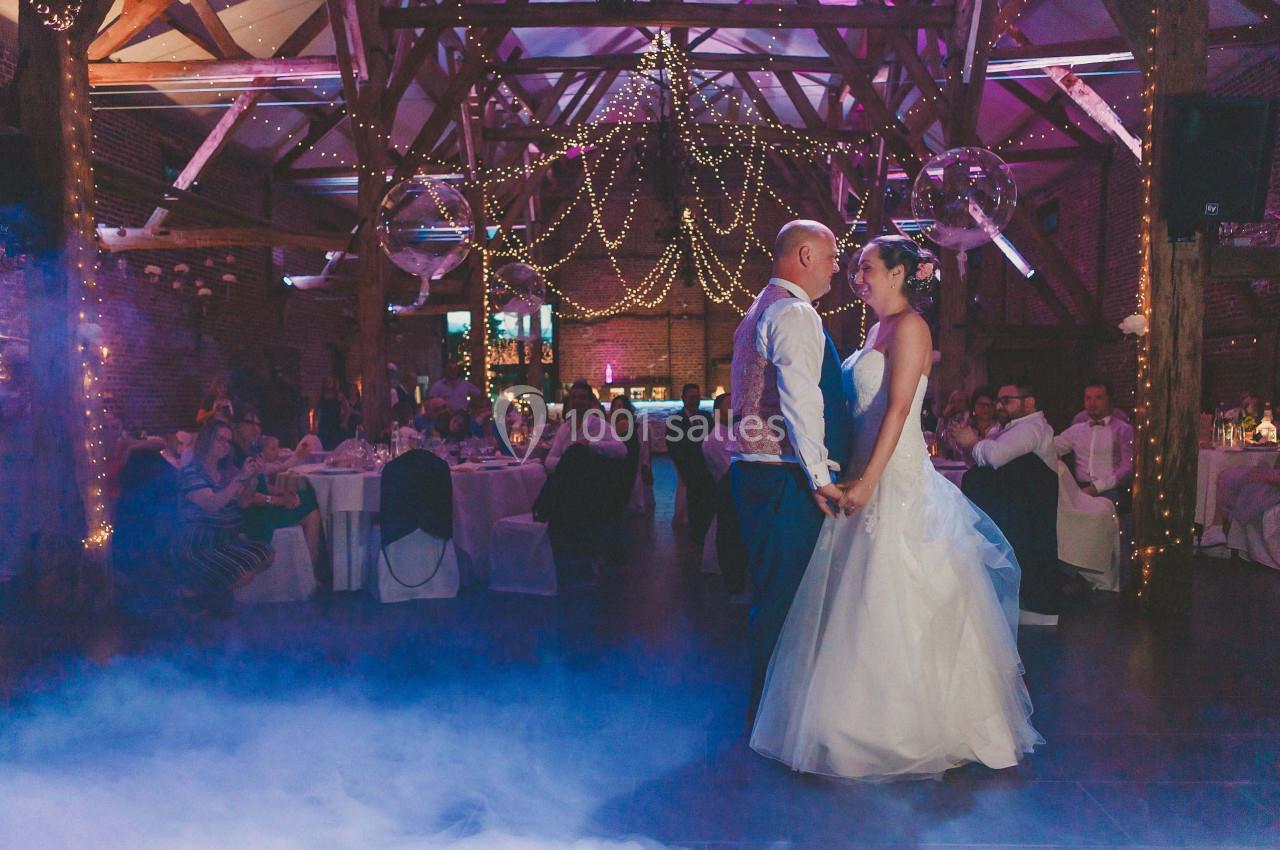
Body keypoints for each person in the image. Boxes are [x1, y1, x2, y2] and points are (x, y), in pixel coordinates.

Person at [750, 234, 1040, 781]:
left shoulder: (910, 327)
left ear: (899, 274)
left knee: (896, 595)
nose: (857, 277)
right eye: (855, 267)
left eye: (866, 268)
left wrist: (868, 481)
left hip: (894, 477)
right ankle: (849, 722)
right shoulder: (874, 330)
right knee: (856, 601)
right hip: (861, 474)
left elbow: (900, 410)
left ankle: (908, 727)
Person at [727, 220, 851, 720]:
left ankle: (774, 710)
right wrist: (820, 477)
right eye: (831, 257)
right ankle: (775, 717)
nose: (837, 268)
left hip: (758, 471)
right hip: (783, 475)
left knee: (773, 595)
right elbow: (802, 399)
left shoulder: (759, 308)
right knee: (787, 601)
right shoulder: (795, 312)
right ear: (804, 255)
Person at [951, 379, 1062, 626]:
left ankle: (1035, 608)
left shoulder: (1031, 428)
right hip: (1018, 511)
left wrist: (971, 442)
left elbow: (996, 455)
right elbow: (985, 463)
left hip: (1030, 512)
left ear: (1029, 402)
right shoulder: (1012, 428)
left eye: (1007, 401)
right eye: (999, 400)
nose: (999, 406)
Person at [175, 421, 273, 616]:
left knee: (266, 553)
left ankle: (207, 592)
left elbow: (244, 502)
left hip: (226, 540)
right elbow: (212, 504)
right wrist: (239, 479)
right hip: (199, 544)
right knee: (241, 571)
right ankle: (196, 593)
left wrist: (252, 478)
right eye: (220, 439)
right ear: (206, 441)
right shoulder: (191, 472)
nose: (225, 445)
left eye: (228, 441)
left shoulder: (227, 472)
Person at [1054, 380, 1135, 504]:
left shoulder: (1123, 430)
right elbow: (1051, 447)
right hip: (1079, 489)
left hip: (1110, 490)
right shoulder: (1076, 430)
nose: (1092, 403)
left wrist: (1097, 488)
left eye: (1098, 398)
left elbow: (1127, 469)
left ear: (1109, 400)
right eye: (1088, 398)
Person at [666, 383, 717, 544]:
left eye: (697, 397)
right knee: (693, 502)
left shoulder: (706, 417)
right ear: (683, 399)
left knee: (706, 503)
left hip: (707, 467)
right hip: (689, 467)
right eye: (691, 397)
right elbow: (674, 447)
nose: (695, 401)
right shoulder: (675, 420)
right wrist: (684, 469)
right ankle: (695, 535)